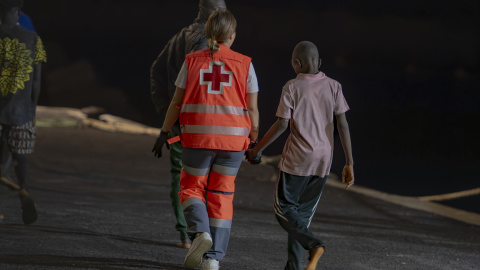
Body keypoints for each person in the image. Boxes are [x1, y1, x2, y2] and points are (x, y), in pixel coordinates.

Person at [152, 10, 260, 270]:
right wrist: (254, 141)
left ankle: (201, 233)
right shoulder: (245, 64)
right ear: (232, 36)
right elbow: (252, 108)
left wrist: (164, 132)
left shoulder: (191, 61)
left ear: (207, 33)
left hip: (197, 139)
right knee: (222, 195)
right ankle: (213, 259)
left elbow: (176, 102)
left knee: (191, 188)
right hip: (233, 143)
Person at [247, 41, 354, 270]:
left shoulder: (292, 87)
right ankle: (293, 267)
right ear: (319, 63)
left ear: (296, 63)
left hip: (297, 161)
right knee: (300, 220)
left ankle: (314, 245)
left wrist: (257, 150)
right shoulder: (334, 86)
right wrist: (349, 163)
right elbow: (342, 125)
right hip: (324, 162)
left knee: (284, 210)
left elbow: (282, 125)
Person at [150, 0, 227, 249]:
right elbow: (204, 87)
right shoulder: (206, 41)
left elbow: (156, 72)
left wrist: (165, 113)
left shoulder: (178, 37)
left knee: (181, 177)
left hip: (178, 123)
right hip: (200, 124)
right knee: (204, 180)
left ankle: (185, 232)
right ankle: (198, 233)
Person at [0, 0, 47, 225]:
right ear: (18, 12)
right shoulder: (33, 39)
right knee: (20, 157)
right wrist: (32, 110)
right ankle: (25, 190)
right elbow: (37, 81)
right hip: (22, 111)